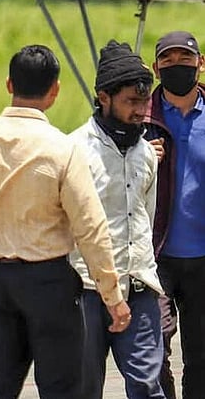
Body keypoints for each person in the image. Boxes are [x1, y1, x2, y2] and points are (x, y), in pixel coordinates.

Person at [0, 44, 132, 399]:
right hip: (49, 282)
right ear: (55, 90)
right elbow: (90, 228)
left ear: (9, 84)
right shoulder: (62, 147)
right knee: (61, 387)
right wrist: (112, 295)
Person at [69, 40, 165, 399]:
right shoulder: (75, 150)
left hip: (139, 286)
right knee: (83, 387)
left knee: (146, 385)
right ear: (103, 97)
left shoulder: (146, 153)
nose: (141, 111)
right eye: (131, 102)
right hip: (86, 291)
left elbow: (147, 217)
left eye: (144, 102)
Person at [142, 30, 205, 399]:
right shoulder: (138, 119)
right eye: (168, 60)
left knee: (200, 356)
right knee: (153, 349)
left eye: (185, 59)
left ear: (201, 63)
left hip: (203, 259)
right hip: (156, 257)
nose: (177, 66)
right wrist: (136, 155)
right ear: (156, 68)